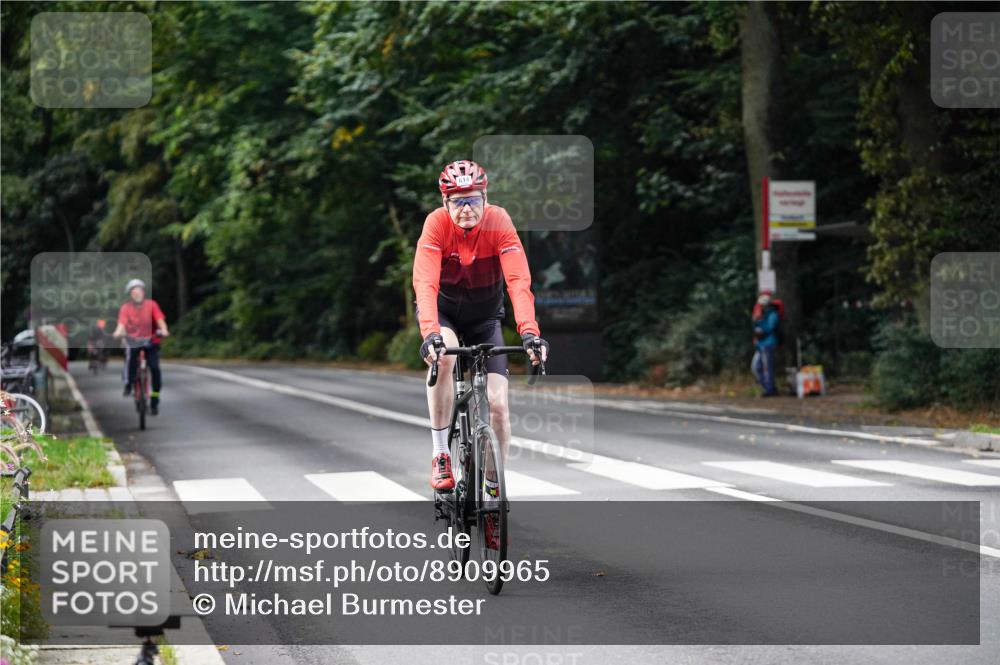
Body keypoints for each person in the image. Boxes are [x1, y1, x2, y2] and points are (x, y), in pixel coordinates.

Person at [412, 160, 549, 504]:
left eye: (472, 199)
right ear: (445, 204)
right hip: (444, 315)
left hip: (486, 318)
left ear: (485, 198)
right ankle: (441, 453)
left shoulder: (499, 221)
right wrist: (431, 333)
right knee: (444, 358)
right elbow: (424, 283)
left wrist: (530, 332)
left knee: (499, 406)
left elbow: (518, 281)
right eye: (458, 201)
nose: (466, 209)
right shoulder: (436, 225)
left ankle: (492, 489)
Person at [112, 279, 169, 415]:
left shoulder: (152, 305)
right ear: (130, 294)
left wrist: (164, 330)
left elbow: (160, 321)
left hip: (151, 341)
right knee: (130, 358)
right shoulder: (126, 308)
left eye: (138, 290)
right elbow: (121, 324)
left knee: (155, 369)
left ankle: (155, 398)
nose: (136, 293)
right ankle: (129, 383)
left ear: (143, 291)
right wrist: (118, 332)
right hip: (134, 341)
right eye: (133, 291)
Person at [751, 292, 780, 397]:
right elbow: (758, 327)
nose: (761, 307)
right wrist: (756, 322)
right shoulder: (762, 315)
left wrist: (760, 328)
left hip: (768, 343)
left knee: (767, 368)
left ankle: (770, 390)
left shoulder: (773, 314)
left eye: (763, 305)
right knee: (755, 367)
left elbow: (770, 328)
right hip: (760, 344)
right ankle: (766, 386)